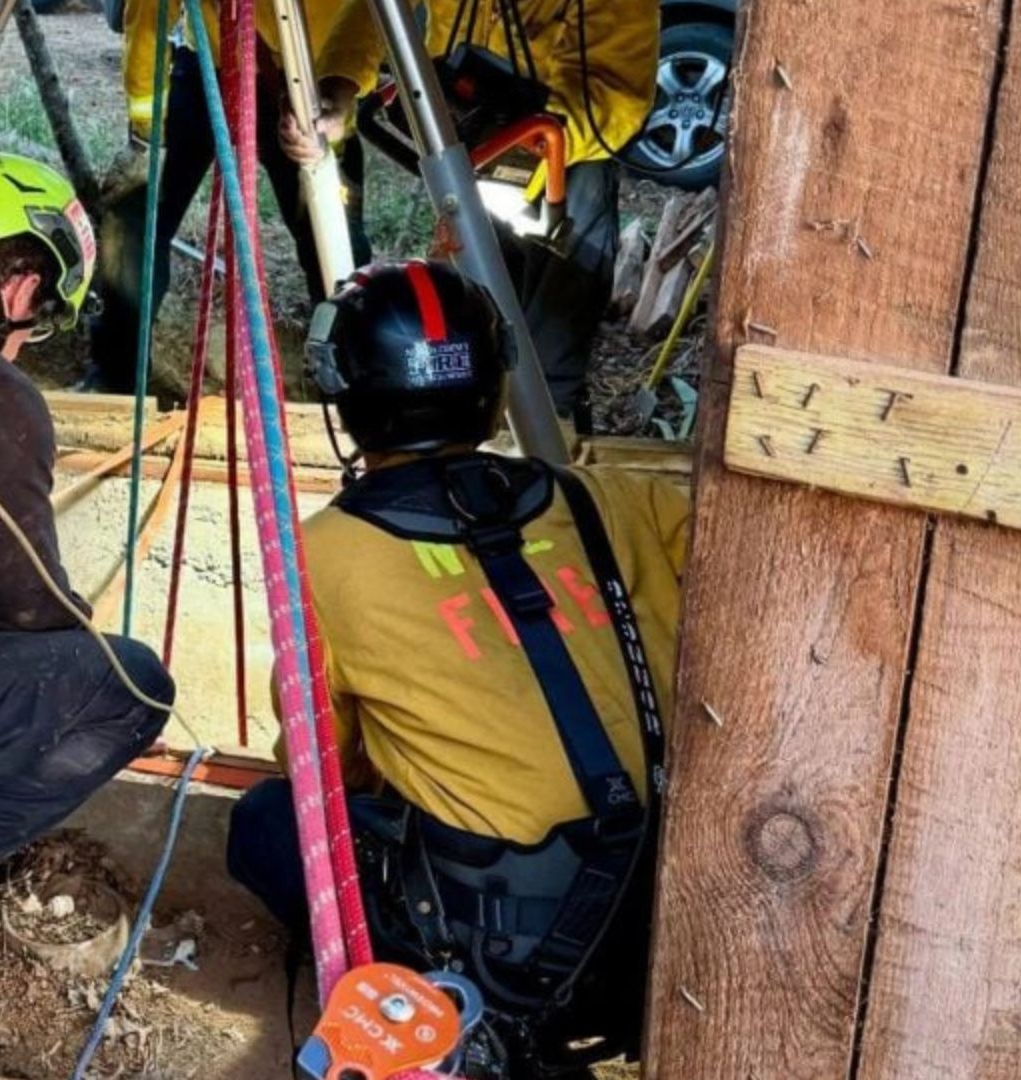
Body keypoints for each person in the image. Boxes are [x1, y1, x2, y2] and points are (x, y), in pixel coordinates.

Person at [225, 261, 688, 1077]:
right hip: (674, 935)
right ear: (493, 381)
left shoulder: (324, 555)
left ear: (344, 396)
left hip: (510, 971)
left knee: (266, 821)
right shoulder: (618, 500)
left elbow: (321, 770)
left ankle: (460, 1036)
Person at [0, 153, 175, 892]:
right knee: (129, 684)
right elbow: (30, 611)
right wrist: (83, 640)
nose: (23, 342)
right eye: (38, 320)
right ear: (23, 286)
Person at [84, 0, 383, 393]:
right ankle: (114, 379)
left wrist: (341, 86)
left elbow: (370, 13)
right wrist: (146, 134)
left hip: (314, 77)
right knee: (134, 219)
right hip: (210, 62)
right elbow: (150, 12)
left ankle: (355, 383)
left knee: (334, 238)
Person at [413, 0, 659, 430]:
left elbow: (617, 96)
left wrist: (524, 146)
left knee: (552, 341)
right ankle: (466, 413)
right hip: (477, 145)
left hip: (567, 155)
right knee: (469, 308)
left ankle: (551, 435)